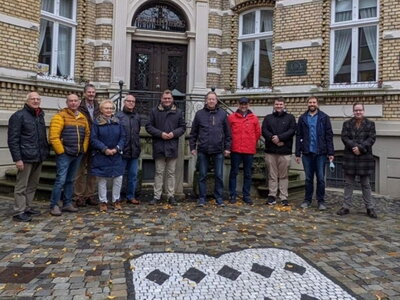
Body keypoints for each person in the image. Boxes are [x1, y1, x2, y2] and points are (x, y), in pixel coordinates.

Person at [7, 92, 50, 222]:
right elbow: (13, 139)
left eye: (38, 99)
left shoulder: (39, 115)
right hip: (25, 157)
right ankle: (19, 211)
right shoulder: (18, 116)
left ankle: (27, 207)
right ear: (27, 101)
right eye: (33, 99)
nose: (36, 101)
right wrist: (17, 159)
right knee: (22, 186)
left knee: (33, 184)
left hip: (38, 155)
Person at [49, 94, 90, 216]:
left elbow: (87, 134)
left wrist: (83, 148)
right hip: (65, 154)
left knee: (70, 180)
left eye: (75, 101)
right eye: (71, 101)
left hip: (77, 154)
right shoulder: (60, 116)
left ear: (79, 103)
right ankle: (54, 204)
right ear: (67, 103)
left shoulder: (82, 118)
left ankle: (67, 203)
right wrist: (61, 151)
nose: (73, 103)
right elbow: (53, 136)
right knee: (60, 180)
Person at [189, 91, 231, 207]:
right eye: (209, 99)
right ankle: (202, 198)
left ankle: (219, 198)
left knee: (219, 175)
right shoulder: (199, 114)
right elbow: (193, 133)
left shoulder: (222, 114)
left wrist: (227, 148)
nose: (211, 101)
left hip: (218, 149)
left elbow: (228, 133)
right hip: (203, 149)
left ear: (216, 101)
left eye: (213, 99)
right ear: (206, 100)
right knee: (202, 175)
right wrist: (192, 147)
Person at [145, 90, 186, 205]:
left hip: (172, 146)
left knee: (171, 172)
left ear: (172, 99)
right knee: (159, 172)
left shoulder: (178, 112)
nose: (167, 100)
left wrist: (174, 133)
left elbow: (182, 127)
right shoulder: (154, 111)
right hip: (159, 145)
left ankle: (171, 195)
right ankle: (156, 196)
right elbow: (149, 126)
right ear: (161, 99)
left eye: (169, 98)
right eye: (165, 98)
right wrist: (160, 134)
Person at [337, 103, 377, 218]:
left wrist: (360, 148)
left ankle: (370, 208)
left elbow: (372, 138)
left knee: (366, 184)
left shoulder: (370, 124)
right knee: (348, 184)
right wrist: (354, 147)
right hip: (350, 157)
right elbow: (344, 137)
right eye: (356, 110)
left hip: (364, 157)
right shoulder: (347, 124)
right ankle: (346, 207)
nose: (358, 112)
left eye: (360, 110)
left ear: (363, 111)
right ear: (353, 111)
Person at [295, 96, 334, 210]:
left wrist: (331, 152)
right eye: (310, 102)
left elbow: (329, 136)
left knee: (321, 178)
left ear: (317, 104)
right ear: (307, 104)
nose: (312, 104)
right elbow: (299, 136)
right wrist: (298, 153)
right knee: (308, 178)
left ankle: (321, 201)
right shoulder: (302, 118)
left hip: (320, 153)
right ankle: (307, 200)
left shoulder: (324, 117)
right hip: (307, 153)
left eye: (314, 102)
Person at [91, 99, 126, 212]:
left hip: (116, 155)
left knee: (118, 178)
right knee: (102, 179)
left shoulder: (118, 122)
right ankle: (103, 202)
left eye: (111, 108)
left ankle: (116, 200)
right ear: (101, 110)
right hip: (102, 154)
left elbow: (123, 137)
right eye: (106, 108)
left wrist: (117, 148)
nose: (109, 110)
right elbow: (93, 139)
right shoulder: (96, 123)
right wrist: (104, 149)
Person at [262, 98, 296, 206]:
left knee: (283, 176)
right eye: (277, 104)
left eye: (281, 104)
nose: (279, 106)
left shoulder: (290, 118)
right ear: (274, 105)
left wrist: (280, 138)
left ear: (284, 105)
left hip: (284, 151)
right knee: (272, 175)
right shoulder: (268, 118)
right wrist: (273, 138)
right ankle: (272, 195)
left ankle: (283, 196)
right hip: (271, 151)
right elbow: (264, 130)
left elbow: (292, 131)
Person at [228, 97, 261, 205]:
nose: (243, 106)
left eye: (245, 104)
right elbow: (228, 133)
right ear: (238, 104)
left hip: (248, 149)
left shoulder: (254, 118)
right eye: (242, 104)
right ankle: (232, 194)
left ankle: (246, 195)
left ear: (248, 105)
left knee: (247, 174)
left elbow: (257, 133)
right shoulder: (231, 118)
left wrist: (251, 142)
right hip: (235, 149)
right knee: (234, 172)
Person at [74, 83, 100, 207]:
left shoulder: (98, 107)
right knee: (79, 171)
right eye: (89, 92)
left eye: (93, 92)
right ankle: (78, 196)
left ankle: (89, 195)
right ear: (84, 93)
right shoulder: (79, 107)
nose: (91, 94)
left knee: (92, 171)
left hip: (95, 143)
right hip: (82, 142)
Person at [116, 94, 141, 205]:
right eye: (128, 101)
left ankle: (131, 196)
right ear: (124, 102)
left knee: (133, 175)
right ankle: (118, 196)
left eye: (133, 101)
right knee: (119, 176)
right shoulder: (118, 116)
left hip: (134, 150)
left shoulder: (137, 117)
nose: (131, 103)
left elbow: (137, 131)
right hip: (122, 150)